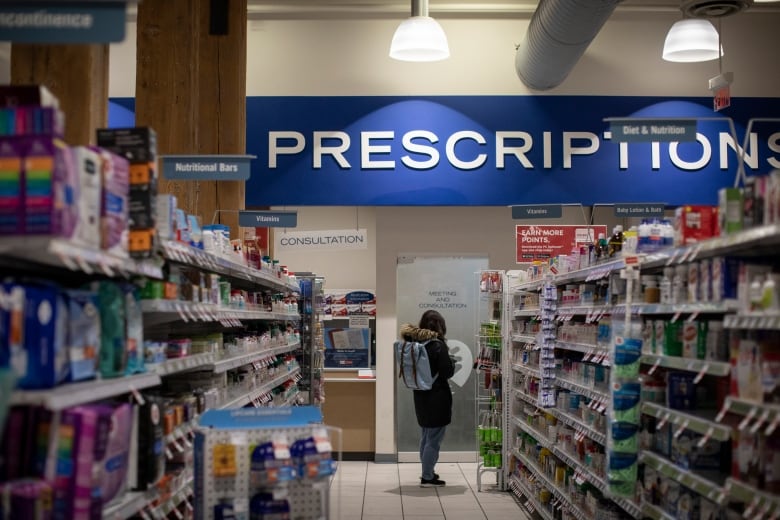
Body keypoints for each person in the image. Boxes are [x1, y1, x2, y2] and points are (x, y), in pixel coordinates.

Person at [399, 309, 455, 487]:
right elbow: (446, 372)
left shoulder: (415, 343)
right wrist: (452, 362)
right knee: (434, 439)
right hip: (437, 398)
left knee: (425, 436)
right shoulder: (438, 345)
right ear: (440, 325)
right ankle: (427, 476)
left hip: (420, 396)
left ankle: (427, 471)